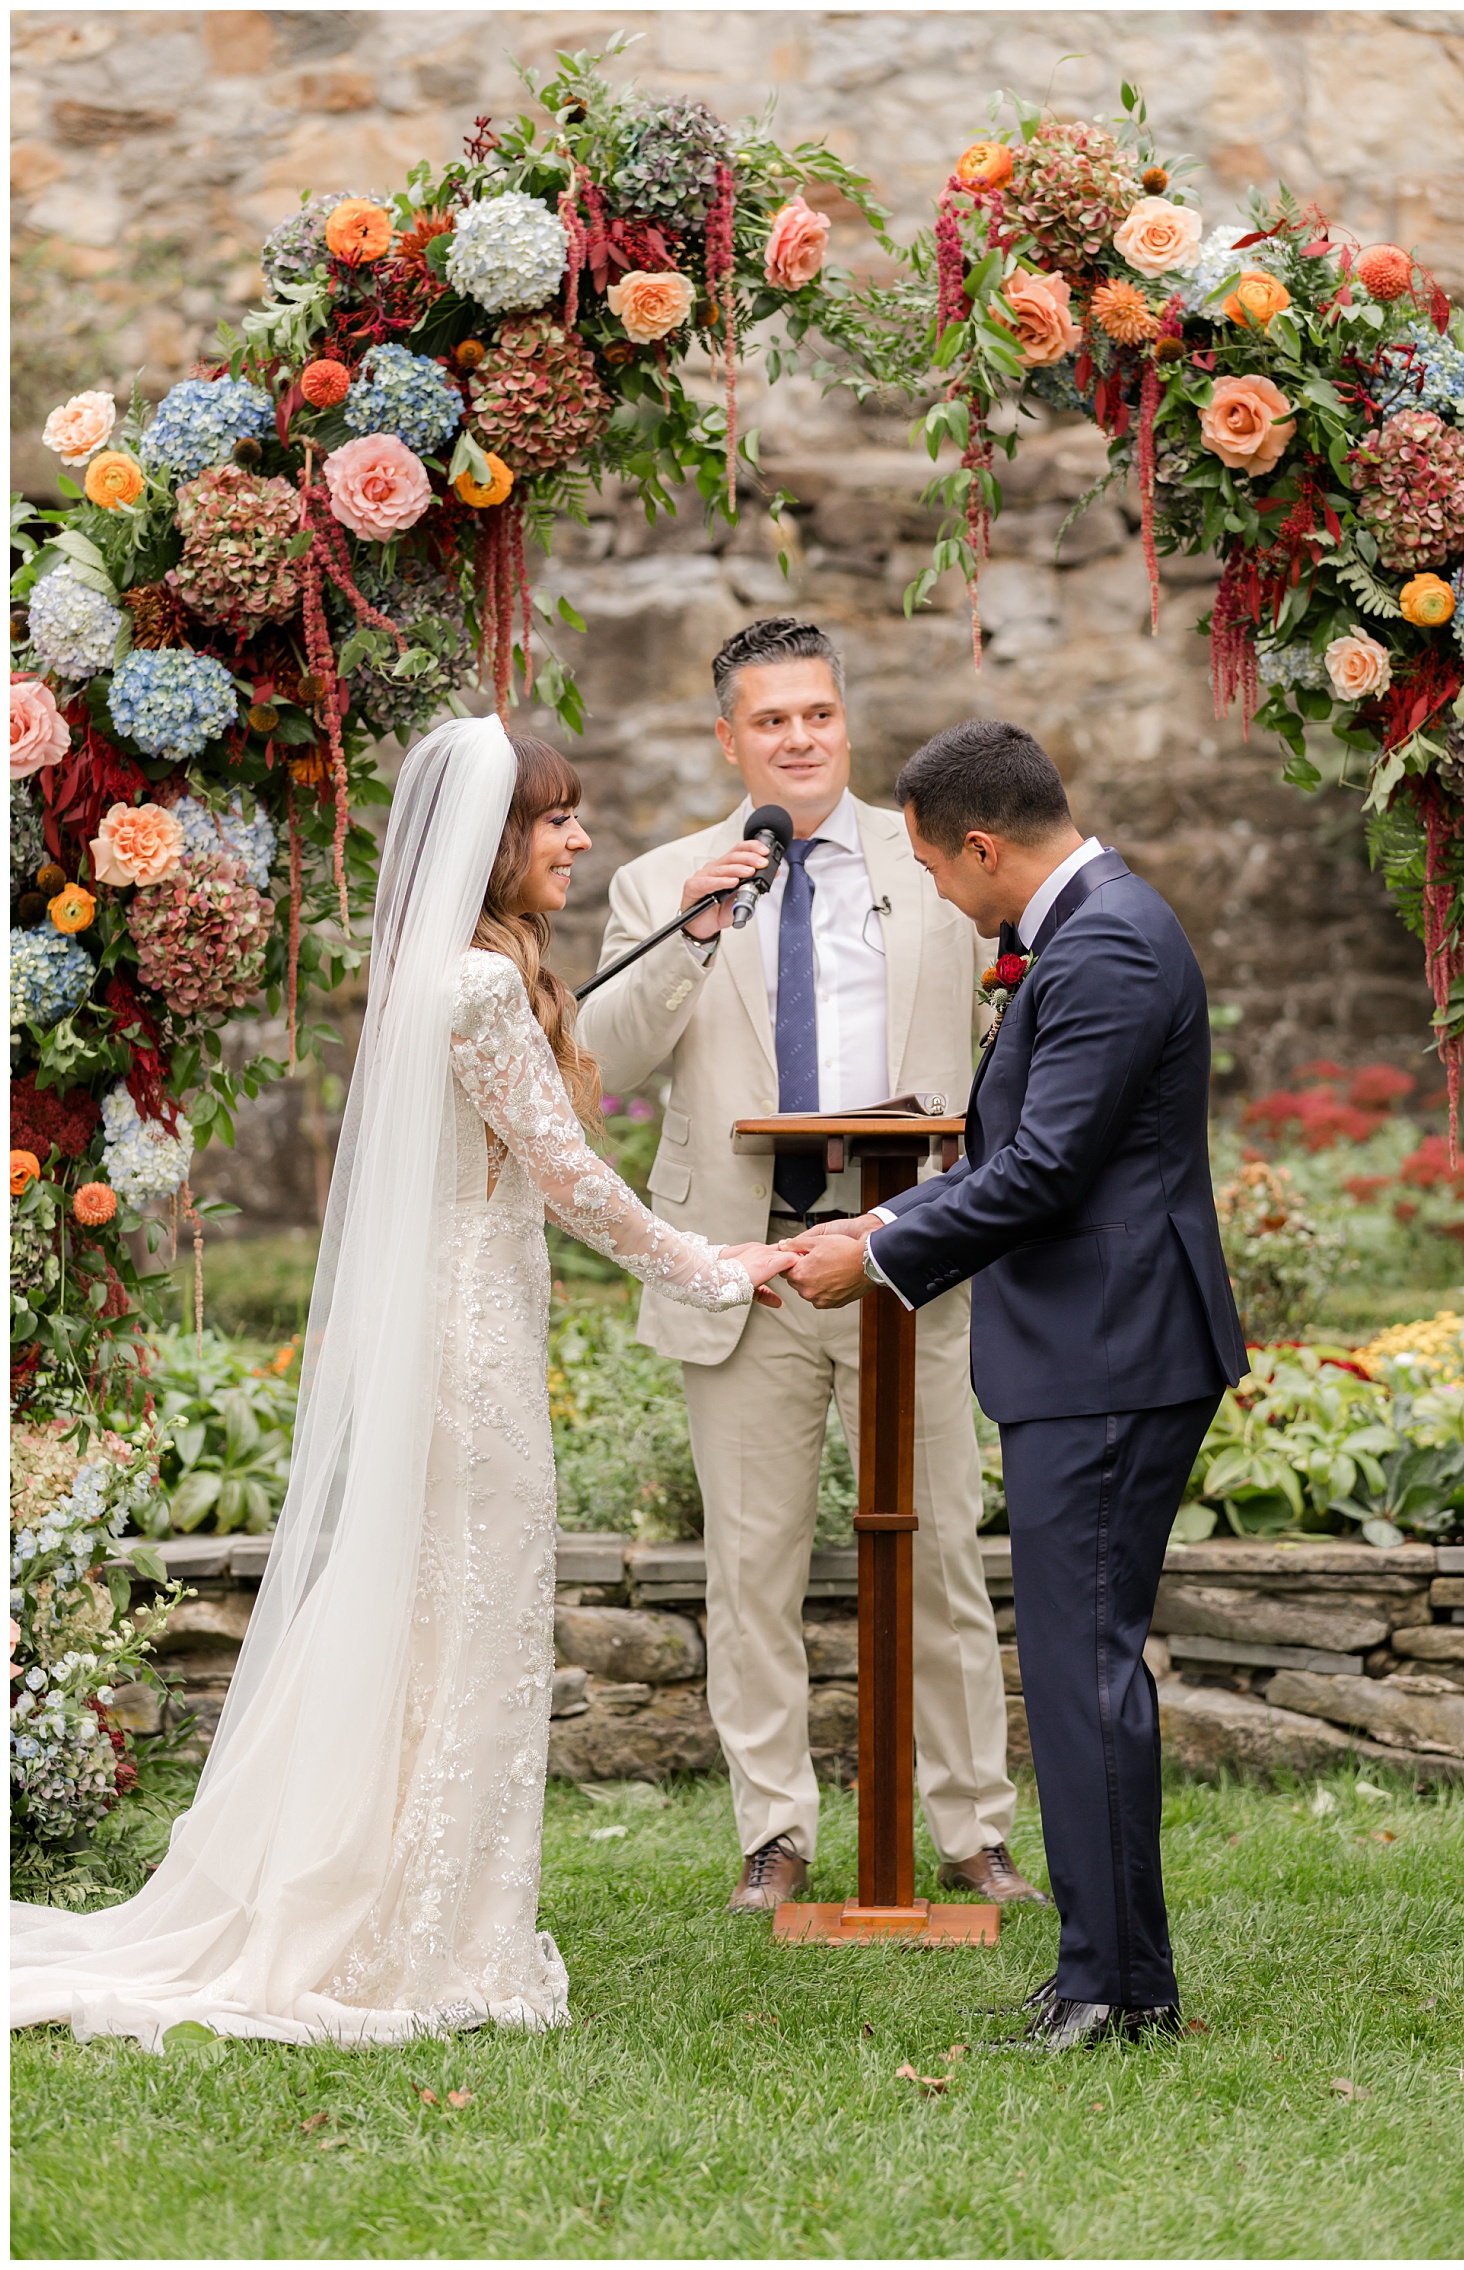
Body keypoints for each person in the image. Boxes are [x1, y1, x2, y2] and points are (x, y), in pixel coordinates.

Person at [10, 716, 795, 2050]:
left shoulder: (451, 974)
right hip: (471, 1346)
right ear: (493, 842)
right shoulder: (480, 990)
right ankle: (440, 1936)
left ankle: (422, 1902)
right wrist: (712, 1263)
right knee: (476, 1623)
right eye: (559, 819)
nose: (581, 839)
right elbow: (569, 1176)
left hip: (456, 1328)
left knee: (438, 1623)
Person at [787, 718, 1247, 2052]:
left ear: (983, 846)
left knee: (1081, 1668)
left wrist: (877, 1253)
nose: (938, 887)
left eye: (937, 867)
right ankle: (1117, 1972)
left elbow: (1045, 1169)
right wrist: (883, 1236)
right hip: (1102, 1342)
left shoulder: (1103, 942)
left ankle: (1114, 1990)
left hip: (1112, 1348)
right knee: (1078, 1662)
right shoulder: (1102, 921)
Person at [575, 618, 1032, 1916]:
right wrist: (697, 931)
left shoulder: (928, 856)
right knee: (752, 1568)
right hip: (747, 1264)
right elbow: (607, 1048)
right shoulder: (669, 878)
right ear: (730, 738)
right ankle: (774, 1833)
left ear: (846, 723)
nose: (799, 738)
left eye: (818, 715)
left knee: (942, 1555)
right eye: (770, 720)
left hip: (906, 1253)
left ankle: (972, 1833)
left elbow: (1015, 1001)